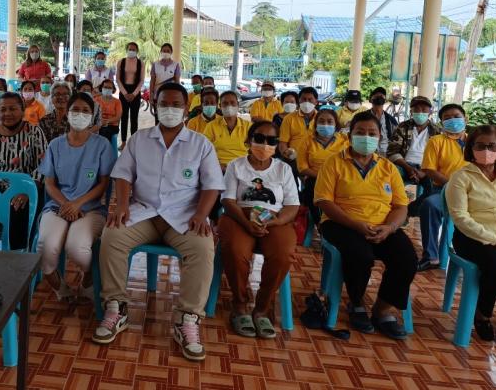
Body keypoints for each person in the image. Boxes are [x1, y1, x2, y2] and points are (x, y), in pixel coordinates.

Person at [92, 83, 224, 361]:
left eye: (177, 105)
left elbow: (212, 185)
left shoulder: (201, 144)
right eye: (164, 104)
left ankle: (186, 319)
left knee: (202, 247)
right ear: (154, 106)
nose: (170, 110)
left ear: (187, 109)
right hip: (144, 213)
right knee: (113, 235)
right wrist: (122, 205)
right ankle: (117, 307)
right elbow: (123, 175)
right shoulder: (140, 140)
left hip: (184, 216)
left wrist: (202, 214)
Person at [314, 111, 416, 340]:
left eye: (372, 133)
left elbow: (401, 206)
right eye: (360, 132)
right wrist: (355, 224)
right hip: (341, 222)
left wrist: (389, 228)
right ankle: (356, 302)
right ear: (350, 136)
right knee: (360, 255)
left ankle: (382, 310)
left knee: (407, 258)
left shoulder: (388, 168)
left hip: (382, 225)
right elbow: (323, 201)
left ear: (380, 137)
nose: (366, 137)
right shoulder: (333, 163)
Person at [219, 121, 299, 338]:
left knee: (283, 254)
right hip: (239, 217)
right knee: (236, 250)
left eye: (272, 140)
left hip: (274, 219)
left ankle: (262, 308)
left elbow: (293, 205)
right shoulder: (236, 166)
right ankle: (240, 305)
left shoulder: (284, 169)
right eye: (259, 138)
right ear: (249, 141)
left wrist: (276, 221)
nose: (265, 144)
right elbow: (227, 200)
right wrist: (247, 224)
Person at [38, 93, 116, 300]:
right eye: (75, 110)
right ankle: (61, 288)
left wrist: (78, 203)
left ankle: (89, 280)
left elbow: (104, 183)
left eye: (85, 111)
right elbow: (49, 183)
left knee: (78, 248)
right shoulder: (55, 145)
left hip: (90, 209)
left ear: (92, 117)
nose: (79, 114)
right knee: (46, 248)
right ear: (67, 114)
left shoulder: (102, 146)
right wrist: (67, 204)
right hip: (58, 206)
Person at [445, 125, 496, 343]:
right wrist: (495, 241)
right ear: (470, 148)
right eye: (480, 146)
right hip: (471, 238)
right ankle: (482, 312)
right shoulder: (461, 178)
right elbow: (461, 218)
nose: (486, 150)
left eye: (491, 146)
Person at [0, 93, 48, 249]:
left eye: (13, 109)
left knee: (17, 210)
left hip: (24, 187)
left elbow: (44, 165)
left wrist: (28, 190)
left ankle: (16, 254)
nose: (7, 114)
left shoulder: (34, 132)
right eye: (3, 109)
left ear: (22, 110)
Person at [418, 103, 468, 271]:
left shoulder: (476, 142)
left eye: (456, 116)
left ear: (465, 118)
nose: (453, 120)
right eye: (447, 118)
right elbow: (429, 170)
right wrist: (454, 186)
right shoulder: (436, 141)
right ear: (441, 123)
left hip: (473, 192)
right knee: (430, 205)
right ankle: (431, 256)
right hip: (444, 190)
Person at [296, 106, 349, 224]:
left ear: (336, 124)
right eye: (321, 121)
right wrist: (323, 176)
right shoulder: (307, 141)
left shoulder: (344, 141)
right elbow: (302, 168)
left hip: (340, 178)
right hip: (315, 178)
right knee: (312, 189)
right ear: (315, 124)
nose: (325, 124)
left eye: (330, 121)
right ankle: (319, 224)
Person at [386, 95, 438, 205]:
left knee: (433, 189)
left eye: (424, 109)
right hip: (403, 165)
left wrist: (424, 171)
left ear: (430, 112)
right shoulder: (402, 127)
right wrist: (408, 168)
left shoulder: (436, 131)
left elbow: (439, 157)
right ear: (411, 111)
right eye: (417, 109)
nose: (420, 112)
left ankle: (411, 210)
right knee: (389, 177)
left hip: (427, 168)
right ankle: (392, 207)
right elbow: (392, 151)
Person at [203, 91, 251, 171]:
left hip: (242, 168)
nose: (229, 106)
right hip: (218, 168)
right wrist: (217, 166)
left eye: (232, 103)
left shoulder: (248, 126)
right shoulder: (211, 126)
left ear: (238, 105)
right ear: (220, 106)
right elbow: (204, 151)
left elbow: (254, 151)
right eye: (225, 103)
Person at [278, 87, 318, 161]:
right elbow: (282, 143)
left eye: (310, 99)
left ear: (316, 102)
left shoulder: (321, 119)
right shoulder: (289, 118)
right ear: (299, 101)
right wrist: (287, 153)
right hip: (294, 159)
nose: (306, 102)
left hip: (315, 159)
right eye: (304, 99)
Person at [116, 42, 144, 147]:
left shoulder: (141, 63)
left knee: (134, 118)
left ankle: (133, 143)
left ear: (137, 51)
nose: (131, 51)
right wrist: (125, 93)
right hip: (124, 90)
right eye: (130, 49)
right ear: (127, 50)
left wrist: (134, 94)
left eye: (133, 49)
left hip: (135, 92)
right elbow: (118, 79)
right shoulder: (121, 62)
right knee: (123, 118)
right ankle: (123, 142)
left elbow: (141, 80)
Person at [149, 43, 181, 121]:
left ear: (171, 52)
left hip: (171, 96)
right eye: (164, 51)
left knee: (169, 119)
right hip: (158, 96)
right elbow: (152, 81)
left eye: (168, 51)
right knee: (158, 119)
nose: (166, 52)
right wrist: (151, 95)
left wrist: (177, 96)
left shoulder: (176, 65)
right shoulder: (155, 64)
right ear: (161, 52)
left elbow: (177, 82)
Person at [368, 87, 399, 156]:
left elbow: (396, 140)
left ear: (385, 100)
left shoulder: (391, 120)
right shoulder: (363, 118)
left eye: (381, 96)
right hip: (368, 152)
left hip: (386, 153)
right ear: (370, 100)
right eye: (376, 96)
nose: (379, 98)